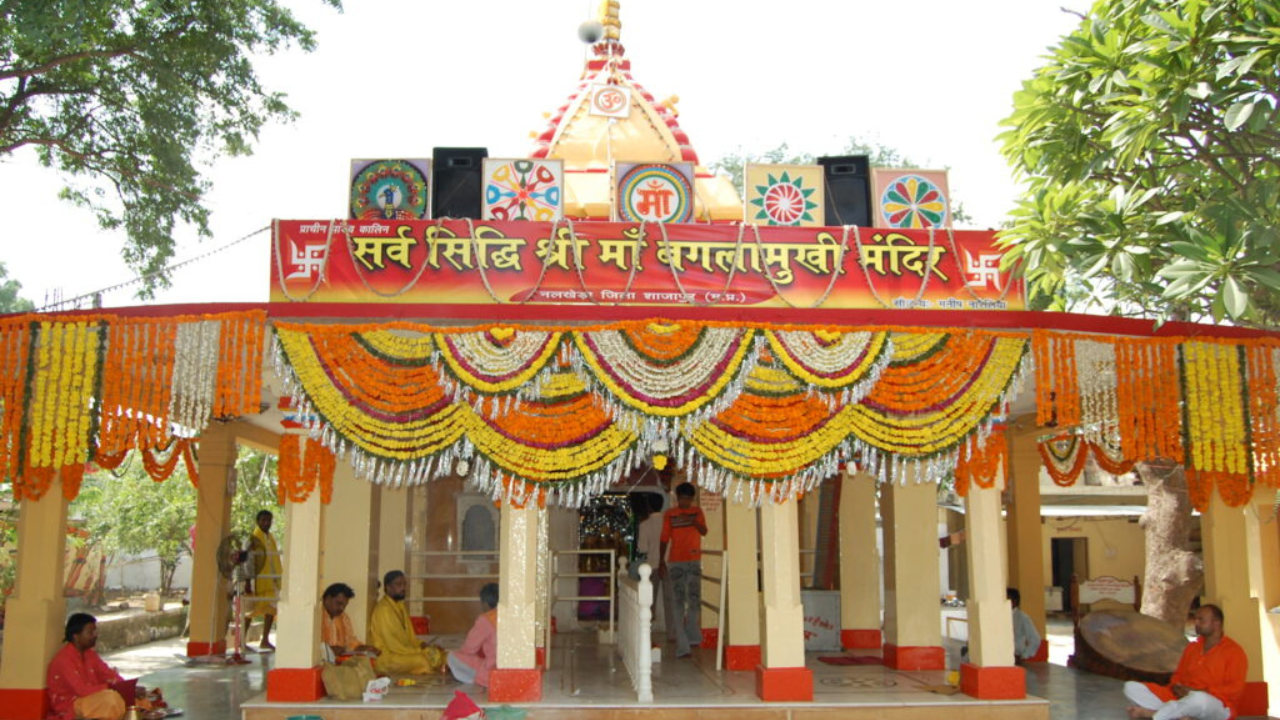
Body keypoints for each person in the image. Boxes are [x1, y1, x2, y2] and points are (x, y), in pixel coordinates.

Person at [1124, 604, 1247, 720]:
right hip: (1183, 697)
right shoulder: (1192, 647)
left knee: (1199, 699)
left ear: (1216, 623)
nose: (1196, 623)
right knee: (1131, 687)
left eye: (1201, 620)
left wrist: (1201, 691)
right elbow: (1178, 675)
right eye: (1196, 619)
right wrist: (1177, 687)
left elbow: (1235, 689)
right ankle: (1180, 715)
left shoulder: (1234, 651)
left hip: (1216, 704)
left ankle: (1155, 715)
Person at [46, 613, 128, 720]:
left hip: (92, 700)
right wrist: (111, 687)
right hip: (71, 706)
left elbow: (108, 674)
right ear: (76, 636)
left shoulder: (89, 654)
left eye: (95, 631)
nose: (95, 635)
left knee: (137, 697)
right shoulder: (64, 659)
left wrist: (125, 687)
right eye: (90, 632)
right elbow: (82, 690)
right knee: (111, 699)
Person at [658, 481, 707, 658]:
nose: (684, 502)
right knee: (678, 603)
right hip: (676, 563)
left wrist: (693, 521)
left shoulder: (698, 512)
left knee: (694, 600)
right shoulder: (670, 514)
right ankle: (683, 645)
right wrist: (661, 562)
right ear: (677, 498)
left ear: (692, 499)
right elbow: (664, 539)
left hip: (694, 561)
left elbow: (704, 531)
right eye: (682, 499)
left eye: (688, 499)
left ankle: (693, 637)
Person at [369, 569, 447, 674]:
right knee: (421, 660)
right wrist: (420, 651)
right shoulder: (384, 610)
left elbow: (411, 637)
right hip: (388, 658)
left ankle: (444, 666)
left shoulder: (400, 606)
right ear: (388, 587)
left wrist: (423, 645)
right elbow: (394, 646)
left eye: (404, 584)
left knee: (440, 653)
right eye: (399, 584)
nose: (403, 588)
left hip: (404, 652)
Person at [447, 583, 499, 687]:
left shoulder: (486, 619)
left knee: (452, 657)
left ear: (484, 603)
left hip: (493, 672)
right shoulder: (510, 615)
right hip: (513, 669)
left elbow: (469, 648)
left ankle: (477, 679)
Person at [246, 509, 281, 650]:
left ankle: (265, 640)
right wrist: (248, 582)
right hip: (256, 581)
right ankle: (241, 641)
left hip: (271, 580)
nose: (267, 523)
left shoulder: (271, 538)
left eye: (269, 520)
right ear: (258, 522)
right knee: (249, 612)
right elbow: (247, 562)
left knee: (271, 610)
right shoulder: (252, 539)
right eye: (264, 520)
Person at [321, 582, 381, 661]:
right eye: (338, 603)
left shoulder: (343, 617)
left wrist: (364, 648)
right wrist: (329, 649)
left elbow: (350, 642)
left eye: (344, 605)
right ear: (327, 599)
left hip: (339, 664)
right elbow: (308, 647)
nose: (342, 609)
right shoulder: (315, 617)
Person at [1008, 587, 1042, 663]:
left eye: (1008, 600)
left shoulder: (1022, 618)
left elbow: (1035, 639)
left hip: (1017, 656)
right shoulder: (1001, 618)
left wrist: (1024, 656)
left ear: (1014, 601)